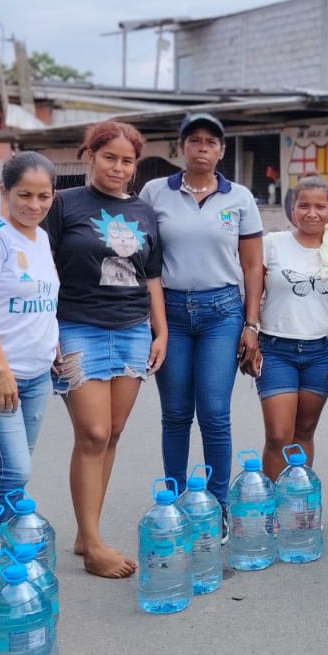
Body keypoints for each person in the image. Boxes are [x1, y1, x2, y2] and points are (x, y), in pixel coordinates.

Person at [46, 122, 165, 578]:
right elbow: (44, 267)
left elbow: (151, 275)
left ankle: (86, 531)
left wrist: (161, 331)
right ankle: (94, 545)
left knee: (112, 433)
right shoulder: (64, 204)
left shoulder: (144, 212)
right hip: (77, 328)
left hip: (134, 330)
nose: (118, 167)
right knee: (93, 433)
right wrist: (48, 330)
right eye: (109, 157)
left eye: (127, 160)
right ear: (90, 156)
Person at [141, 113, 262, 506]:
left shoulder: (239, 197)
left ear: (221, 151)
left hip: (222, 312)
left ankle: (218, 504)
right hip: (171, 312)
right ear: (182, 148)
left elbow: (252, 265)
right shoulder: (155, 192)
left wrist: (252, 324)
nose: (202, 148)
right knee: (176, 413)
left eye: (211, 142)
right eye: (194, 140)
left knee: (214, 413)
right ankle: (175, 503)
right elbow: (143, 258)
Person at [0, 153, 60, 521]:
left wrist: (53, 341)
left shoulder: (42, 238)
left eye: (43, 196)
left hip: (38, 374)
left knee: (18, 475)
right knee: (14, 472)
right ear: (4, 191)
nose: (34, 205)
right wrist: (1, 370)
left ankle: (2, 545)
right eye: (24, 195)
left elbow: (44, 298)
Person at [250, 176, 328, 479]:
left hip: (322, 352)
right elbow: (254, 293)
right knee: (279, 435)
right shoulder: (272, 244)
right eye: (304, 206)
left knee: (304, 431)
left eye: (320, 206)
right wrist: (250, 330)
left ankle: (298, 499)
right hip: (275, 350)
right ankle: (273, 500)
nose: (312, 213)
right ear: (292, 210)